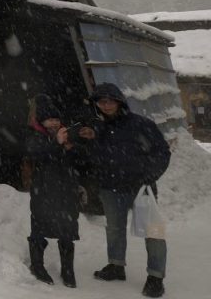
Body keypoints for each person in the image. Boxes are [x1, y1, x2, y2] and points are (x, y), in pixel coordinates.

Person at [78, 82, 171, 298]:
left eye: (110, 101)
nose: (106, 105)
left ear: (119, 101)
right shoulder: (97, 129)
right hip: (110, 188)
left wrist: (151, 174)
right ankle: (116, 266)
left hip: (142, 188)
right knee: (114, 228)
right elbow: (93, 157)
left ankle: (156, 277)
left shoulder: (140, 124)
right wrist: (87, 142)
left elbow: (162, 152)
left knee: (153, 232)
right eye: (102, 101)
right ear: (96, 104)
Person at [25, 94, 83, 287]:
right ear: (42, 121)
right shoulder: (35, 136)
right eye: (50, 119)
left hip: (67, 190)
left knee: (67, 228)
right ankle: (37, 265)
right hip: (43, 190)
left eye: (57, 119)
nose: (55, 123)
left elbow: (82, 161)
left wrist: (73, 147)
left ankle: (68, 270)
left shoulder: (66, 134)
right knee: (39, 226)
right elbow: (36, 154)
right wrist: (56, 144)